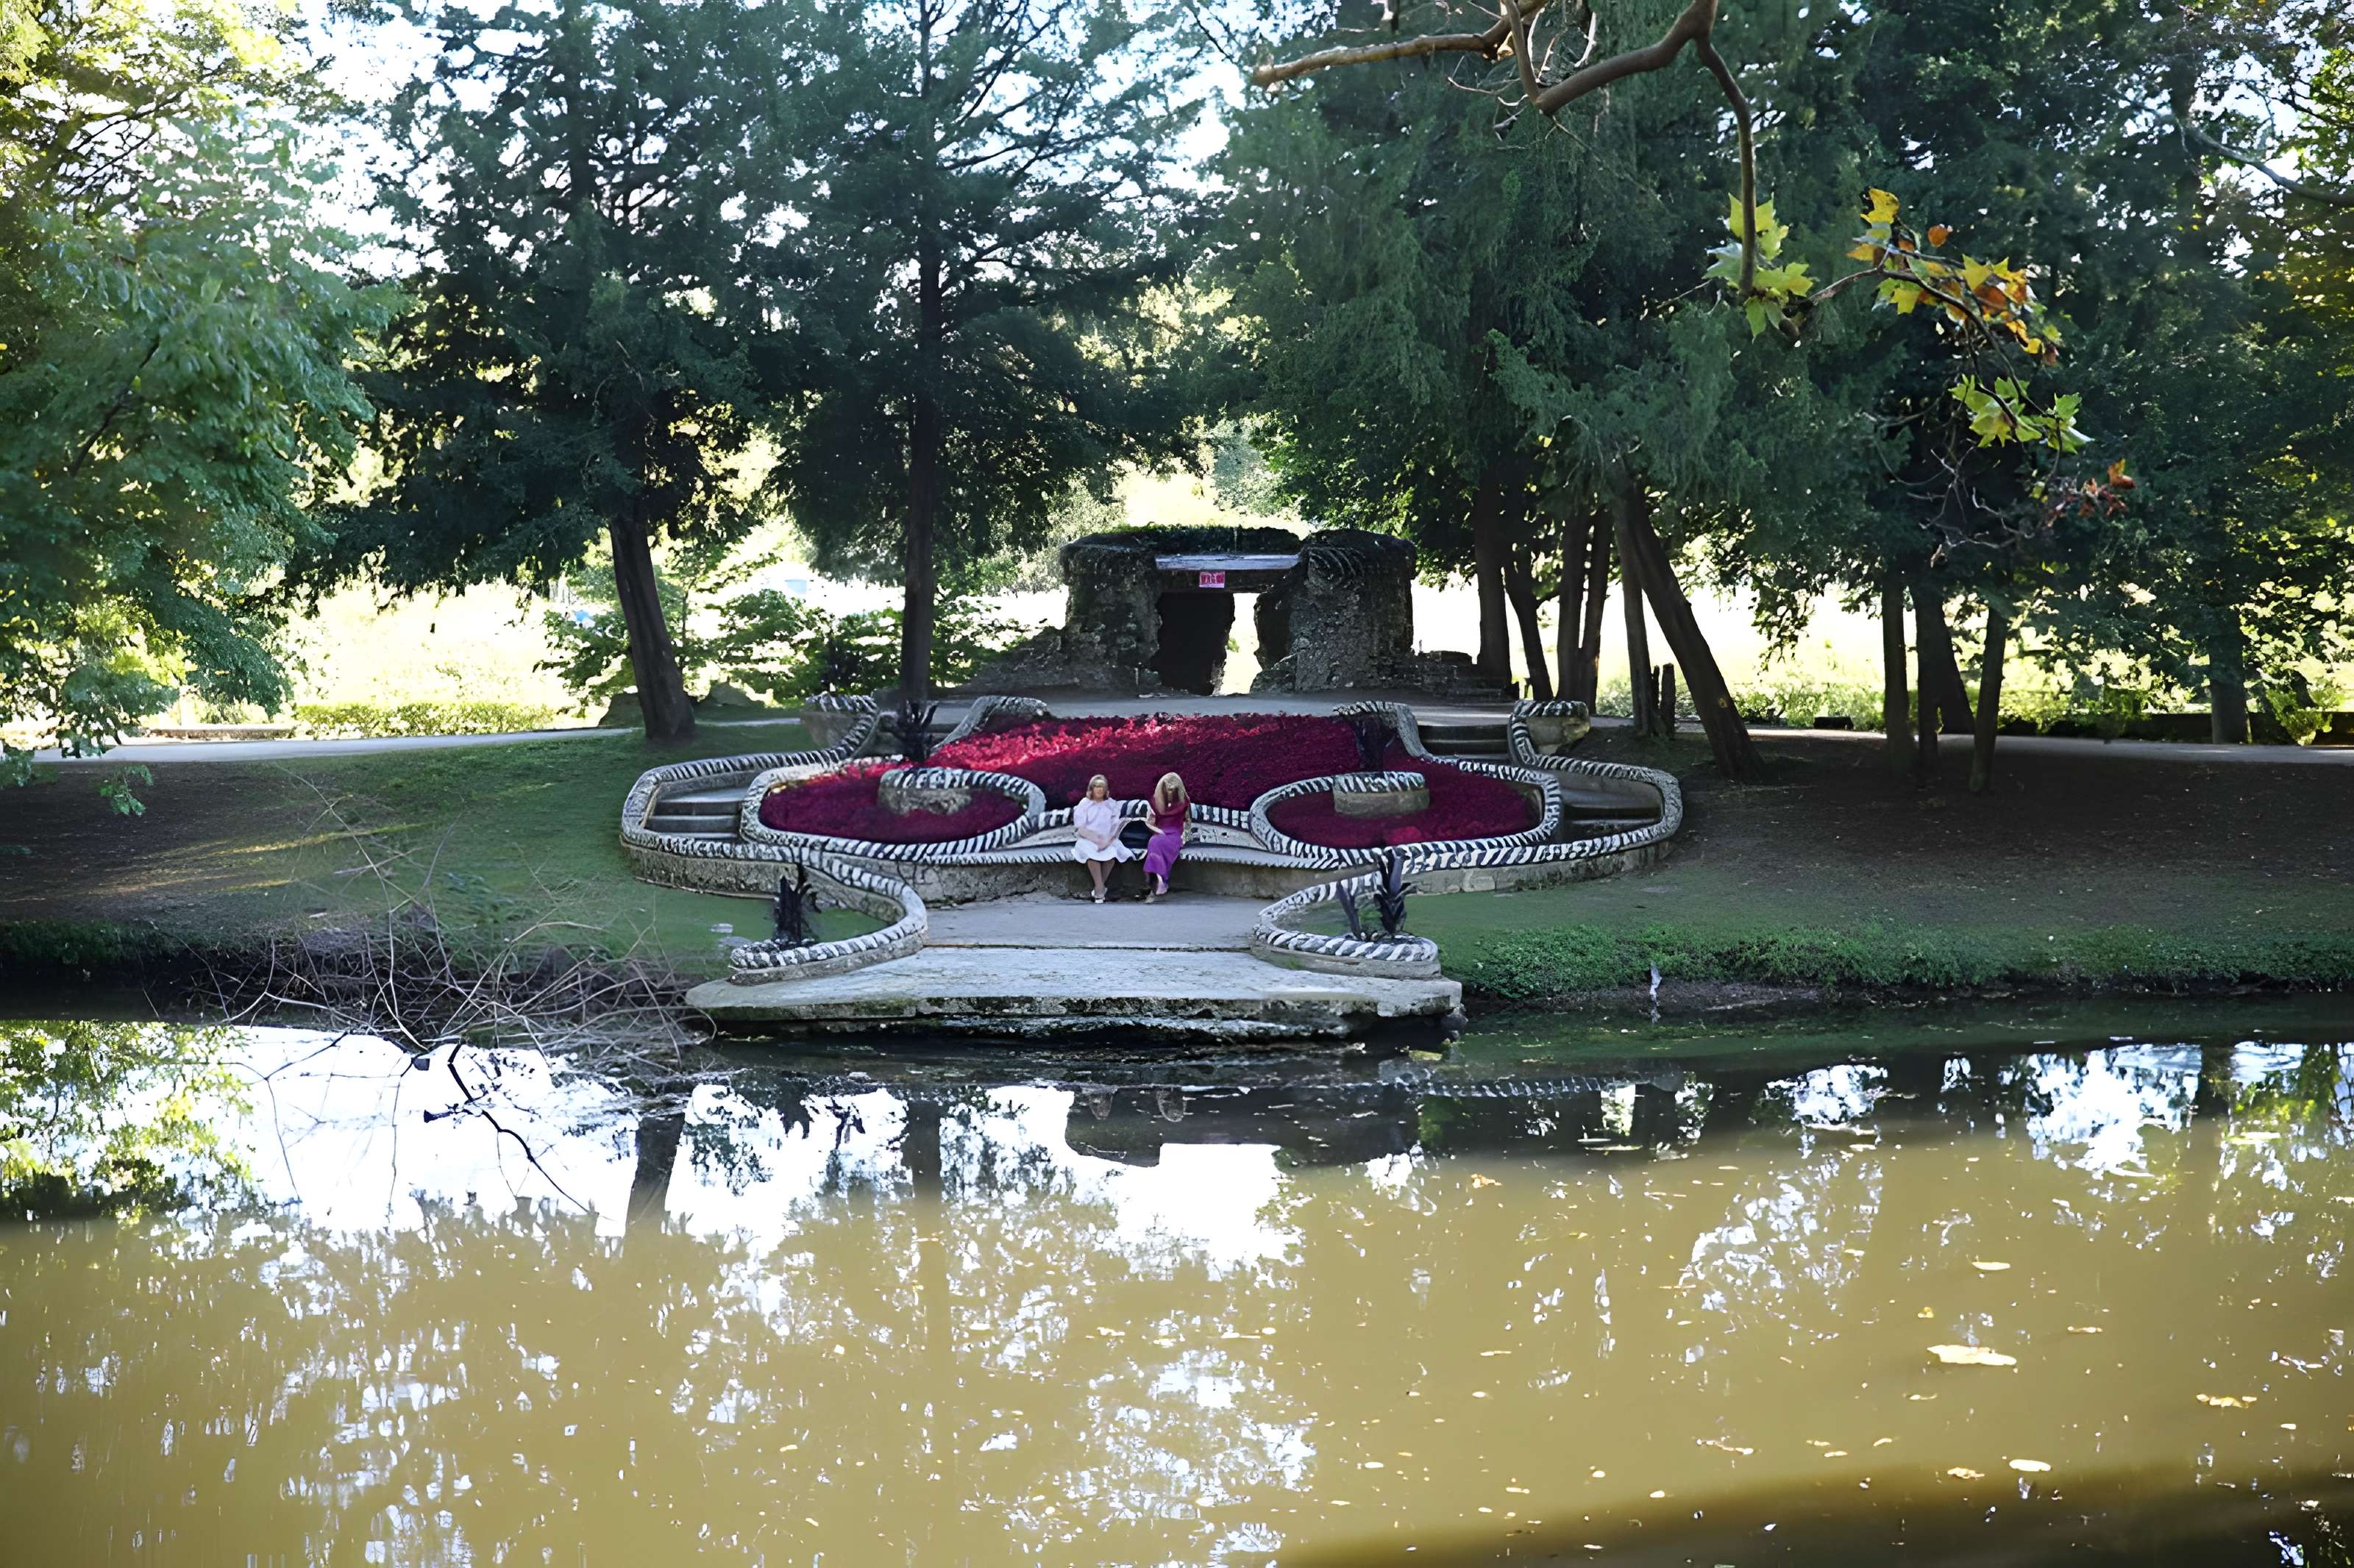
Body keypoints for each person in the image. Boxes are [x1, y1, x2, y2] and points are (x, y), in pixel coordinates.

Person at [1070, 774, 1130, 902]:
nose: (1099, 789)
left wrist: (1107, 841)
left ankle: (1099, 888)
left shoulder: (1111, 804)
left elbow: (1115, 826)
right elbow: (1080, 827)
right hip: (1088, 838)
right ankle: (1100, 888)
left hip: (1108, 839)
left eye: (1102, 787)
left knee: (1112, 852)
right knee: (1091, 853)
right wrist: (1095, 839)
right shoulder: (1085, 804)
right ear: (1091, 789)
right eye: (1096, 786)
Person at [1143, 771, 1188, 902]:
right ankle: (1159, 880)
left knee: (1155, 843)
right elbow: (1151, 822)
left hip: (1174, 835)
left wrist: (1185, 837)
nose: (1169, 791)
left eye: (1172, 789)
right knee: (1154, 842)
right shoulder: (1155, 800)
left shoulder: (1183, 802)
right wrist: (1153, 825)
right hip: (1159, 832)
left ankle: (1152, 882)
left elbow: (1187, 822)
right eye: (1167, 788)